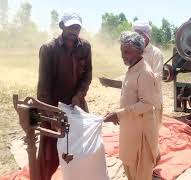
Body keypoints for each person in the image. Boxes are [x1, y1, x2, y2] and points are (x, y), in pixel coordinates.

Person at [37, 12, 92, 180]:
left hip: (76, 107)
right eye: (70, 27)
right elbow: (43, 88)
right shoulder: (48, 49)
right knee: (49, 155)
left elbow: (87, 75)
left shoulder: (85, 47)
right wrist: (52, 117)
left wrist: (79, 95)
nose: (73, 31)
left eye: (77, 27)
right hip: (52, 107)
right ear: (62, 26)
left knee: (79, 151)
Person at [104, 31, 162, 180]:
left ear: (140, 51)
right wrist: (119, 114)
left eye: (127, 52)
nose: (123, 55)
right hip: (129, 128)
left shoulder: (145, 73)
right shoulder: (132, 70)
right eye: (122, 51)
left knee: (140, 171)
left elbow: (148, 104)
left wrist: (120, 113)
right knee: (129, 166)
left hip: (141, 132)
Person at [132, 20, 164, 119]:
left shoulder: (156, 53)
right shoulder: (134, 52)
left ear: (146, 35)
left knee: (151, 133)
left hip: (152, 102)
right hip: (136, 102)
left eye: (139, 35)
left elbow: (157, 77)